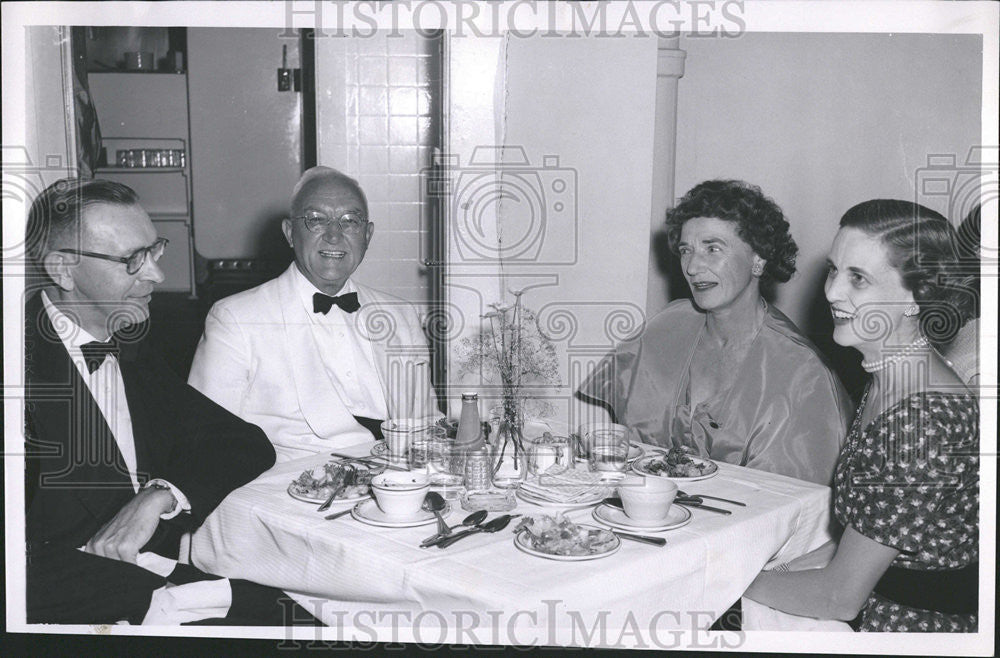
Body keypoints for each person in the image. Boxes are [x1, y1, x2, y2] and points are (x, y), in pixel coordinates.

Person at [22, 178, 316, 625]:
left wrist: (158, 496)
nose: (157, 275)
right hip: (82, 611)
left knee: (314, 615)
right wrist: (158, 599)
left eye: (154, 251)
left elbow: (243, 441)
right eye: (132, 261)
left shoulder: (131, 346)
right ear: (63, 269)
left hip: (157, 582)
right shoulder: (18, 371)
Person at [743, 199, 979, 632]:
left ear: (916, 296)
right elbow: (859, 546)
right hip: (871, 602)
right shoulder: (888, 378)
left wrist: (727, 585)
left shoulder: (921, 420)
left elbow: (839, 596)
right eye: (835, 269)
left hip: (904, 629)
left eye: (859, 279)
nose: (832, 291)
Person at [578, 180, 852, 485]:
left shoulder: (803, 373)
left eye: (713, 248)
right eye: (686, 250)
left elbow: (787, 503)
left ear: (758, 259)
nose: (693, 266)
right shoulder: (666, 327)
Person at [188, 167, 437, 462]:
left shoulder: (402, 316)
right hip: (289, 495)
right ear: (290, 233)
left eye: (350, 221)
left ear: (367, 235)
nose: (334, 235)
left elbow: (428, 424)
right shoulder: (235, 319)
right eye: (316, 220)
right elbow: (204, 441)